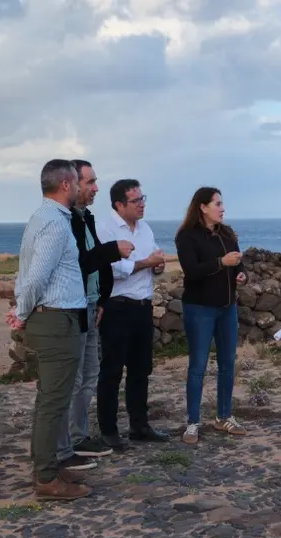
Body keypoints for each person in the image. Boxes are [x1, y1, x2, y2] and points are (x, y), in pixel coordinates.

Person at [7, 160, 120, 499]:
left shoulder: (44, 217)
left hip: (59, 319)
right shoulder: (55, 223)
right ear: (67, 185)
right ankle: (45, 478)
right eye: (79, 181)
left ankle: (49, 466)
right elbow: (35, 278)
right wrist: (21, 312)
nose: (87, 188)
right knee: (53, 401)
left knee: (51, 399)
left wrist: (22, 308)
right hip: (57, 321)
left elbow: (27, 272)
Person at [56, 160, 135, 469]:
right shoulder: (64, 221)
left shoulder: (85, 217)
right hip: (72, 307)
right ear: (71, 184)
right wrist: (113, 249)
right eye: (89, 182)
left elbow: (95, 264)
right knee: (73, 379)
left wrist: (101, 298)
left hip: (90, 305)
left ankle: (79, 437)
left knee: (89, 376)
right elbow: (79, 263)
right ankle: (63, 445)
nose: (95, 188)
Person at [95, 179, 169, 449]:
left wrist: (157, 266)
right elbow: (110, 268)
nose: (142, 204)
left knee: (141, 369)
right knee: (112, 371)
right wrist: (147, 263)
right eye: (136, 200)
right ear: (119, 204)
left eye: (142, 198)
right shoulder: (104, 228)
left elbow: (151, 260)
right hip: (117, 307)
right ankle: (109, 431)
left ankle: (139, 426)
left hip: (142, 306)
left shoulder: (145, 228)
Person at [173, 187, 248, 445]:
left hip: (227, 307)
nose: (222, 208)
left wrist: (242, 273)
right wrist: (221, 263)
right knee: (198, 366)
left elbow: (238, 262)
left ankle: (224, 416)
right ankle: (192, 422)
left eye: (222, 203)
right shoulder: (187, 236)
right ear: (203, 207)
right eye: (217, 204)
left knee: (227, 363)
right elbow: (191, 271)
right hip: (200, 309)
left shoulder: (227, 233)